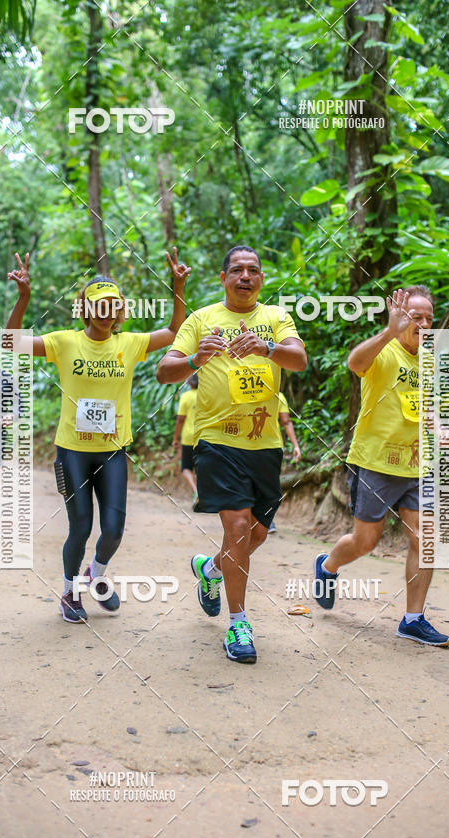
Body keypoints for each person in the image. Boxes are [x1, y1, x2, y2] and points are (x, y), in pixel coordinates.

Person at [6, 249, 188, 623]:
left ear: (120, 311)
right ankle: (70, 593)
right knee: (81, 525)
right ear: (86, 310)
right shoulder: (64, 342)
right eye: (98, 306)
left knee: (114, 530)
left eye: (113, 306)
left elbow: (173, 332)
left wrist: (178, 287)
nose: (106, 313)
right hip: (72, 450)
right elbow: (12, 344)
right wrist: (23, 299)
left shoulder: (130, 343)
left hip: (112, 451)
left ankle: (96, 575)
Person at [157, 245, 307, 664]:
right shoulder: (201, 319)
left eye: (253, 270)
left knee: (255, 535)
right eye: (237, 270)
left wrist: (267, 348)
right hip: (218, 442)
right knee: (239, 527)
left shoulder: (276, 318)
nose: (245, 276)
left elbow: (299, 360)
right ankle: (239, 623)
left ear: (261, 279)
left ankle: (210, 570)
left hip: (265, 445)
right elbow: (164, 370)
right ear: (223, 278)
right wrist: (192, 359)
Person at [313, 287, 449, 647]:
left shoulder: (436, 357)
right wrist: (390, 331)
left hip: (418, 464)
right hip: (375, 462)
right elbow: (354, 364)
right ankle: (328, 565)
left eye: (428, 319)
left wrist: (440, 427)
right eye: (414, 317)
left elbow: (434, 404)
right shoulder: (385, 350)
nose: (422, 324)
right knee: (365, 542)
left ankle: (413, 619)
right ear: (400, 316)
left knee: (427, 540)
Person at [267, 391, 302, 533]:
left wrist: (295, 445)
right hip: (272, 447)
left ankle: (264, 520)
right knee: (270, 484)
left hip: (250, 446)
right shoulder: (278, 395)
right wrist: (295, 445)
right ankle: (266, 520)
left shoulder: (244, 390)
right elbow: (286, 422)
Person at [172, 374, 198, 507]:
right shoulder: (207, 395)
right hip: (205, 437)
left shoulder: (186, 397)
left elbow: (180, 419)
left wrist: (175, 438)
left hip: (188, 437)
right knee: (202, 467)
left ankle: (196, 491)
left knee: (186, 467)